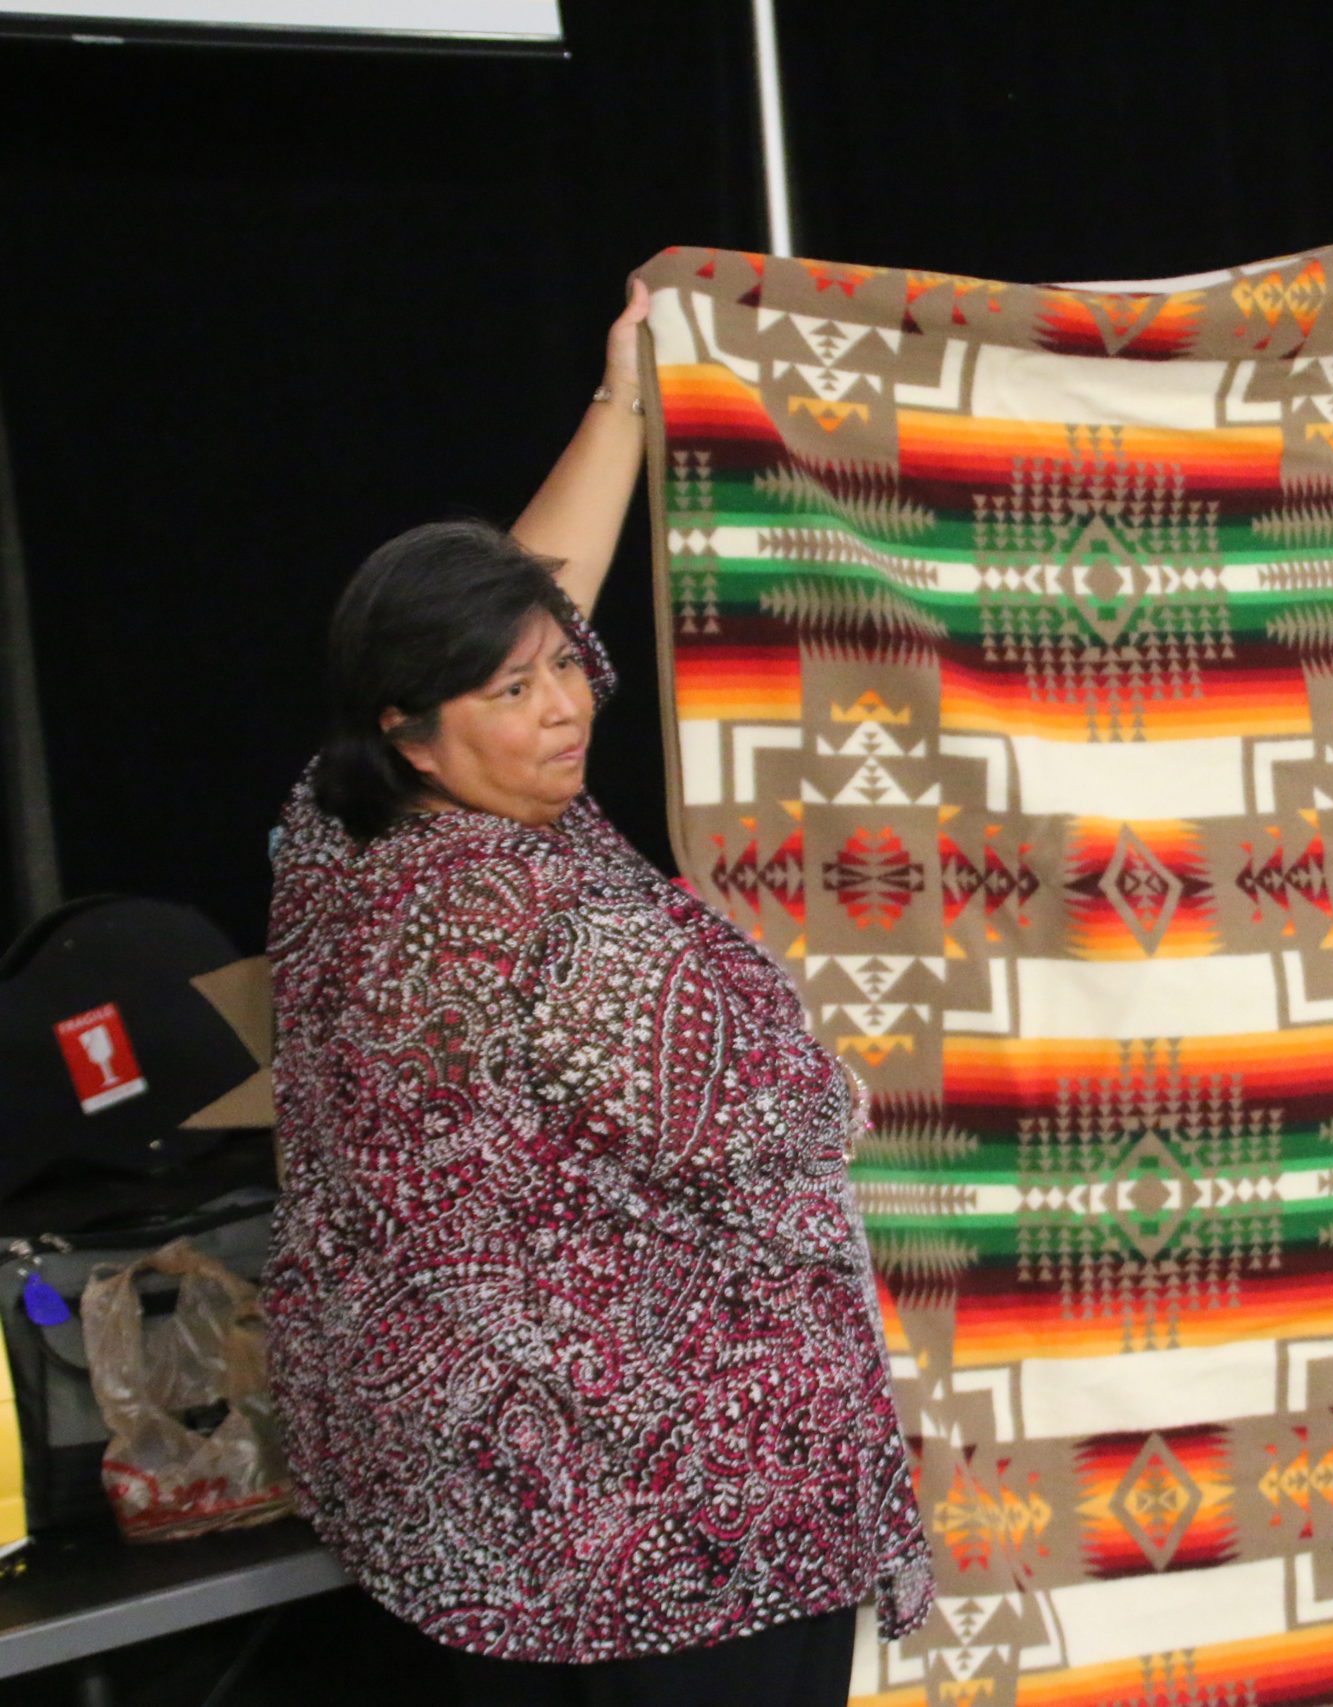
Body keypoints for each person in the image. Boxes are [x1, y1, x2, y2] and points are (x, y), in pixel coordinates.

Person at [262, 281, 933, 1707]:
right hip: (669, 1521)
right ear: (418, 731)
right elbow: (782, 1121)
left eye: (567, 668)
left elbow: (510, 605)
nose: (565, 705)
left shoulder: (335, 831)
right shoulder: (569, 928)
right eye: (515, 694)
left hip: (454, 1506)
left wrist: (621, 398)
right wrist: (839, 1083)